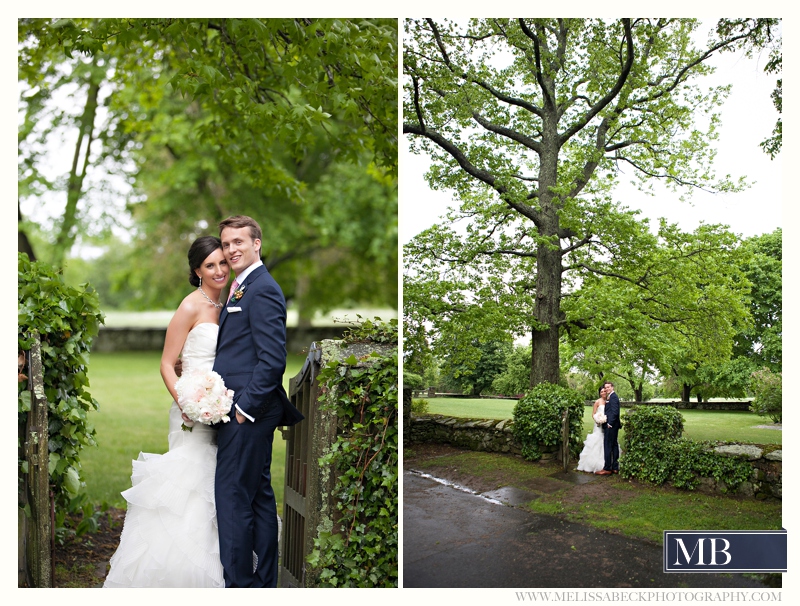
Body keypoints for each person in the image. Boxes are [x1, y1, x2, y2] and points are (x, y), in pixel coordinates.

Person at [104, 236, 230, 587]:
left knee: (214, 483)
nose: (219, 270)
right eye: (210, 265)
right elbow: (164, 363)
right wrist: (186, 404)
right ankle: (177, 573)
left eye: (222, 262)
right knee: (189, 480)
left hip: (220, 405)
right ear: (196, 270)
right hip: (191, 408)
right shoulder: (190, 306)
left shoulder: (229, 305)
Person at [212, 215, 304, 588]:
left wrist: (242, 411)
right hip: (244, 411)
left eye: (238, 242)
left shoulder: (262, 288)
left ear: (256, 244)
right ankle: (264, 583)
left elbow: (272, 360)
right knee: (259, 499)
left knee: (234, 501)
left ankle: (241, 587)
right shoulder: (242, 286)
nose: (231, 249)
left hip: (247, 413)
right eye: (226, 243)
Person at [576, 386, 607, 473]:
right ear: (600, 393)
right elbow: (593, 414)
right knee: (597, 440)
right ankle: (593, 463)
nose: (603, 393)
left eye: (604, 391)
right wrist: (598, 420)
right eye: (601, 392)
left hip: (606, 425)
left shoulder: (608, 401)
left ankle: (606, 463)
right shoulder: (597, 402)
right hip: (598, 425)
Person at [595, 381, 621, 476]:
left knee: (608, 445)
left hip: (611, 426)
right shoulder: (610, 397)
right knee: (614, 445)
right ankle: (615, 467)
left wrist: (609, 423)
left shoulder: (613, 397)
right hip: (614, 425)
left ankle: (607, 468)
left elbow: (615, 412)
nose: (607, 389)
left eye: (608, 387)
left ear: (612, 387)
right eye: (605, 387)